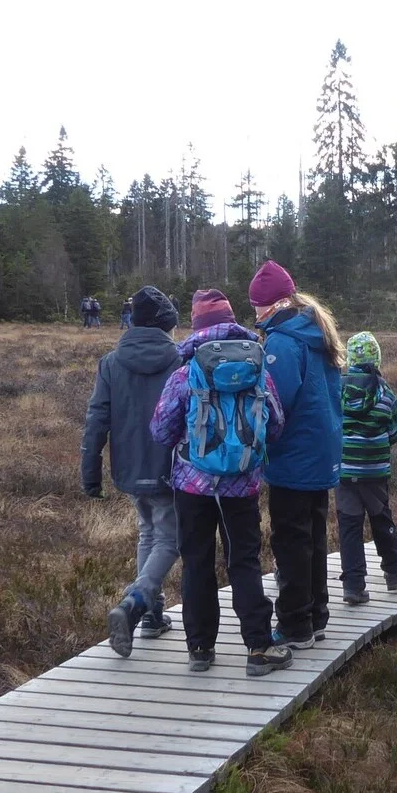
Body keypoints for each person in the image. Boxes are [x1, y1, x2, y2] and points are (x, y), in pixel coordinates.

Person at [150, 288, 293, 678]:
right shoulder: (257, 367)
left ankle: (199, 648)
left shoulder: (186, 372)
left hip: (192, 486)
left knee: (197, 563)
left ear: (197, 326)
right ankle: (259, 647)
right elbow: (276, 424)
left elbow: (161, 430)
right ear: (232, 322)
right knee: (243, 561)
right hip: (242, 486)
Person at [80, 285, 182, 655]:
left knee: (147, 533)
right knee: (169, 539)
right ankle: (135, 602)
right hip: (169, 466)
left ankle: (152, 617)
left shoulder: (111, 362)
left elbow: (96, 420)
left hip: (129, 466)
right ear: (167, 324)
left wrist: (90, 473)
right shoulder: (179, 360)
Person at [248, 259, 344, 649]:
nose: (254, 313)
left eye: (256, 305)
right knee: (314, 536)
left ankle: (294, 625)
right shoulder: (316, 331)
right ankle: (316, 616)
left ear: (272, 304)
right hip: (321, 453)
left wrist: (256, 443)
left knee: (291, 541)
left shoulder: (284, 342)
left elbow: (275, 403)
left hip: (294, 457)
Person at [337, 332, 397, 603]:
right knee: (382, 519)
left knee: (349, 526)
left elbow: (331, 424)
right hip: (375, 472)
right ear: (377, 359)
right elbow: (394, 432)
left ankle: (353, 586)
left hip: (344, 471)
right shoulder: (385, 392)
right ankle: (393, 572)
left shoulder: (336, 388)